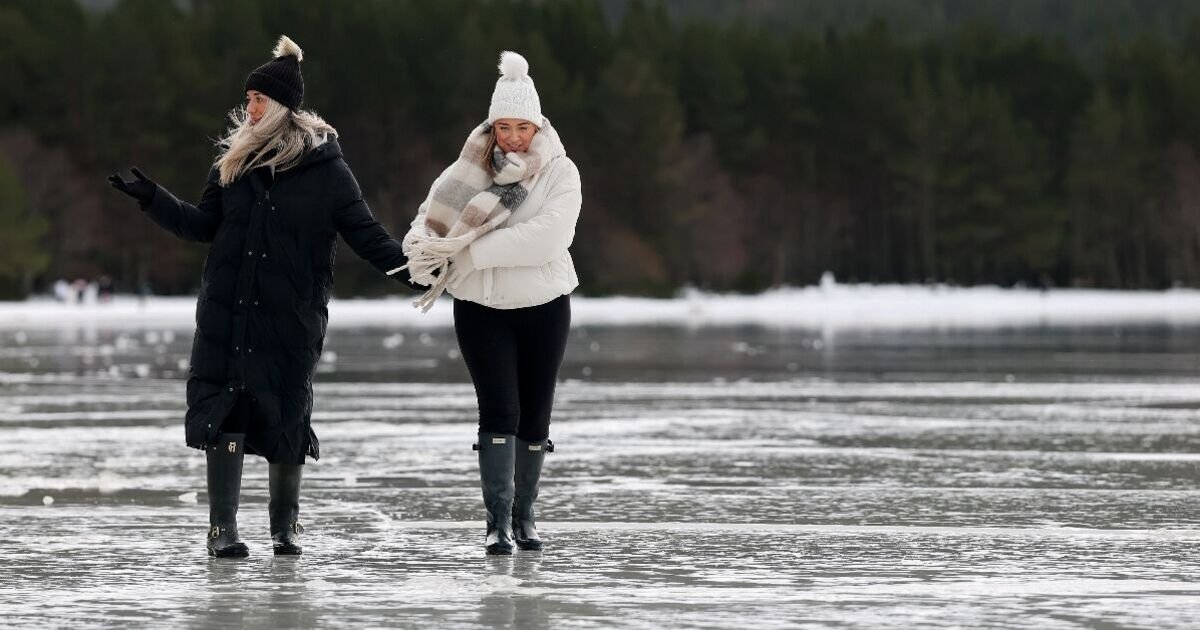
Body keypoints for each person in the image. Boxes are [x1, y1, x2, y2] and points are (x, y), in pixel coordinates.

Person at [109, 36, 412, 558]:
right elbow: (203, 225)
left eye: (256, 100)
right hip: (228, 315)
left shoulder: (329, 172)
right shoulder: (232, 166)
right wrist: (155, 200)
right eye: (246, 99)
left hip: (290, 318)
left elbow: (369, 238)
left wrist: (421, 271)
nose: (247, 109)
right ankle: (221, 531)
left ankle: (284, 528)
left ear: (280, 109)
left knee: (286, 416)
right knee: (224, 413)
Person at [400, 51, 581, 555]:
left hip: (544, 304)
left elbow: (548, 238)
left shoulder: (561, 173)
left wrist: (468, 251)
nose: (513, 138)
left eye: (522, 127)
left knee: (535, 413)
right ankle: (497, 522)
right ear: (492, 125)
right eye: (504, 127)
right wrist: (425, 249)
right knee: (499, 408)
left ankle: (525, 517)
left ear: (537, 124)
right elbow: (428, 221)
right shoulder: (464, 172)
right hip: (480, 307)